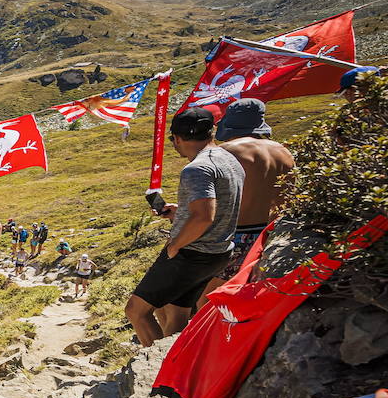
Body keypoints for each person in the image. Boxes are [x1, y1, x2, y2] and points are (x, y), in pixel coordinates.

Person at [124, 108, 243, 347]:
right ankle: (176, 366)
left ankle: (161, 372)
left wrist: (175, 245)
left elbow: (203, 217)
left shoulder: (197, 169)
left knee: (136, 311)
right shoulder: (229, 159)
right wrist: (179, 213)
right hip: (219, 251)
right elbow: (219, 207)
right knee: (178, 313)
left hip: (191, 253)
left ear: (178, 138)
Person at [208, 112, 296, 294]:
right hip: (272, 234)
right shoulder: (283, 151)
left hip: (233, 236)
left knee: (208, 301)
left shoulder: (225, 151)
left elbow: (213, 201)